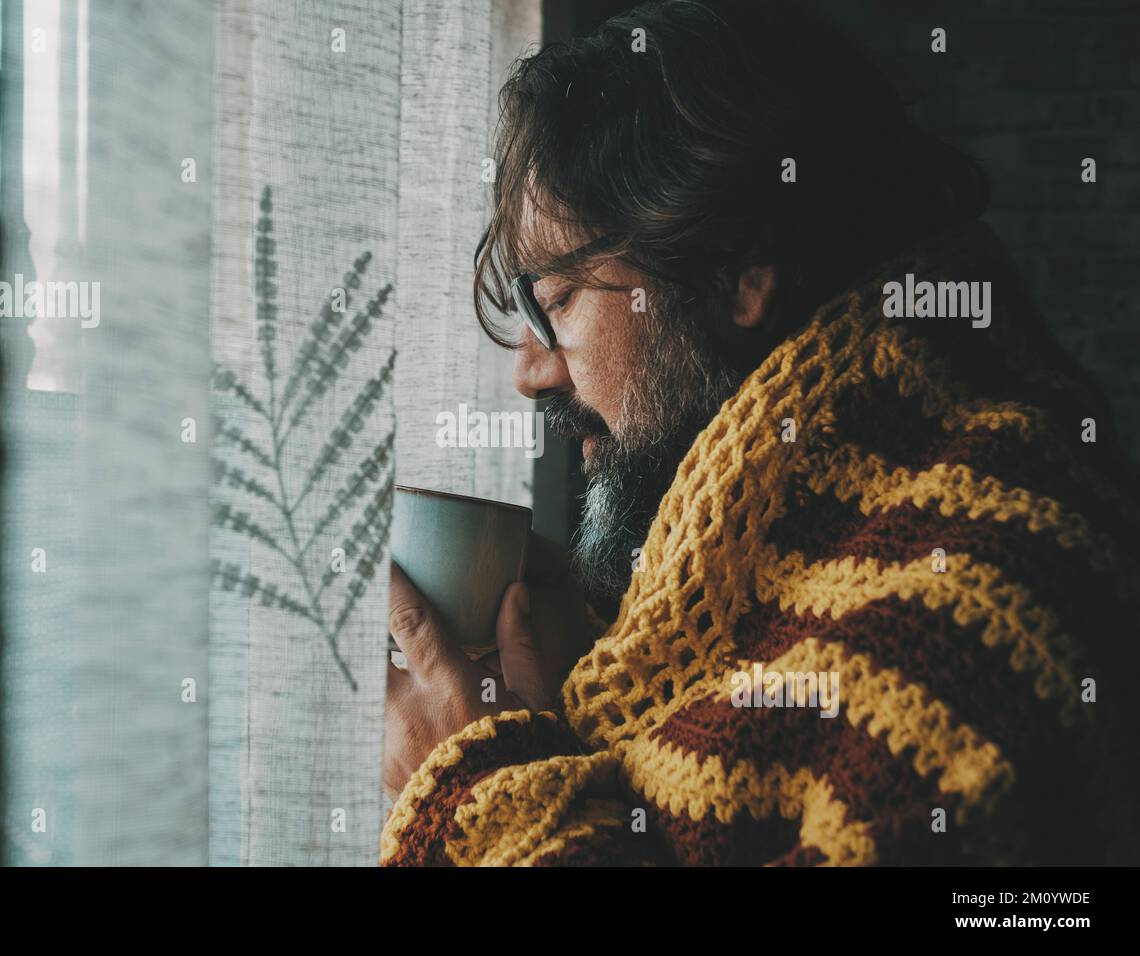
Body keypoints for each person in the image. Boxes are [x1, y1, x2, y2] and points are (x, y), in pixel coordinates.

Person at [382, 0, 1140, 865]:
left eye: (554, 302)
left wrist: (475, 792)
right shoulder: (734, 594)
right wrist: (568, 709)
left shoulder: (983, 634)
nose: (531, 370)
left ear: (735, 273)